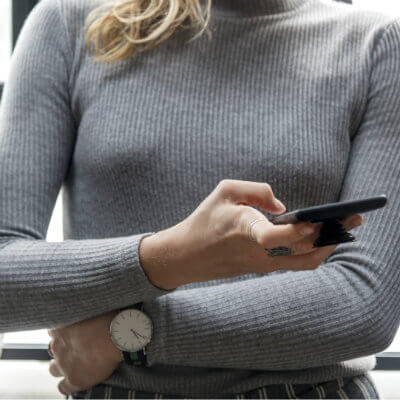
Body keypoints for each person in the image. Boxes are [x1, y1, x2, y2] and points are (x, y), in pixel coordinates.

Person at [0, 0, 399, 398]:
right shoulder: (69, 25)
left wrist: (127, 334)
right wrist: (172, 256)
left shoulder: (377, 44)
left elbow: (367, 301)